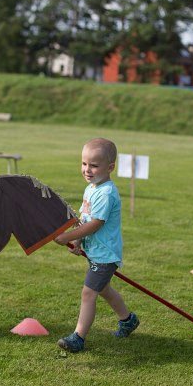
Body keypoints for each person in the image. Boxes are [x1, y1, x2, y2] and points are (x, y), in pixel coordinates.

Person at [54, 138, 139, 353]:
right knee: (103, 289)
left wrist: (67, 236)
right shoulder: (91, 188)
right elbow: (84, 218)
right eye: (84, 164)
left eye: (94, 165)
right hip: (96, 251)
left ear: (110, 167)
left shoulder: (106, 193)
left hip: (105, 255)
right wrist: (76, 241)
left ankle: (78, 338)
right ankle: (128, 319)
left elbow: (95, 224)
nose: (87, 169)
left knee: (88, 293)